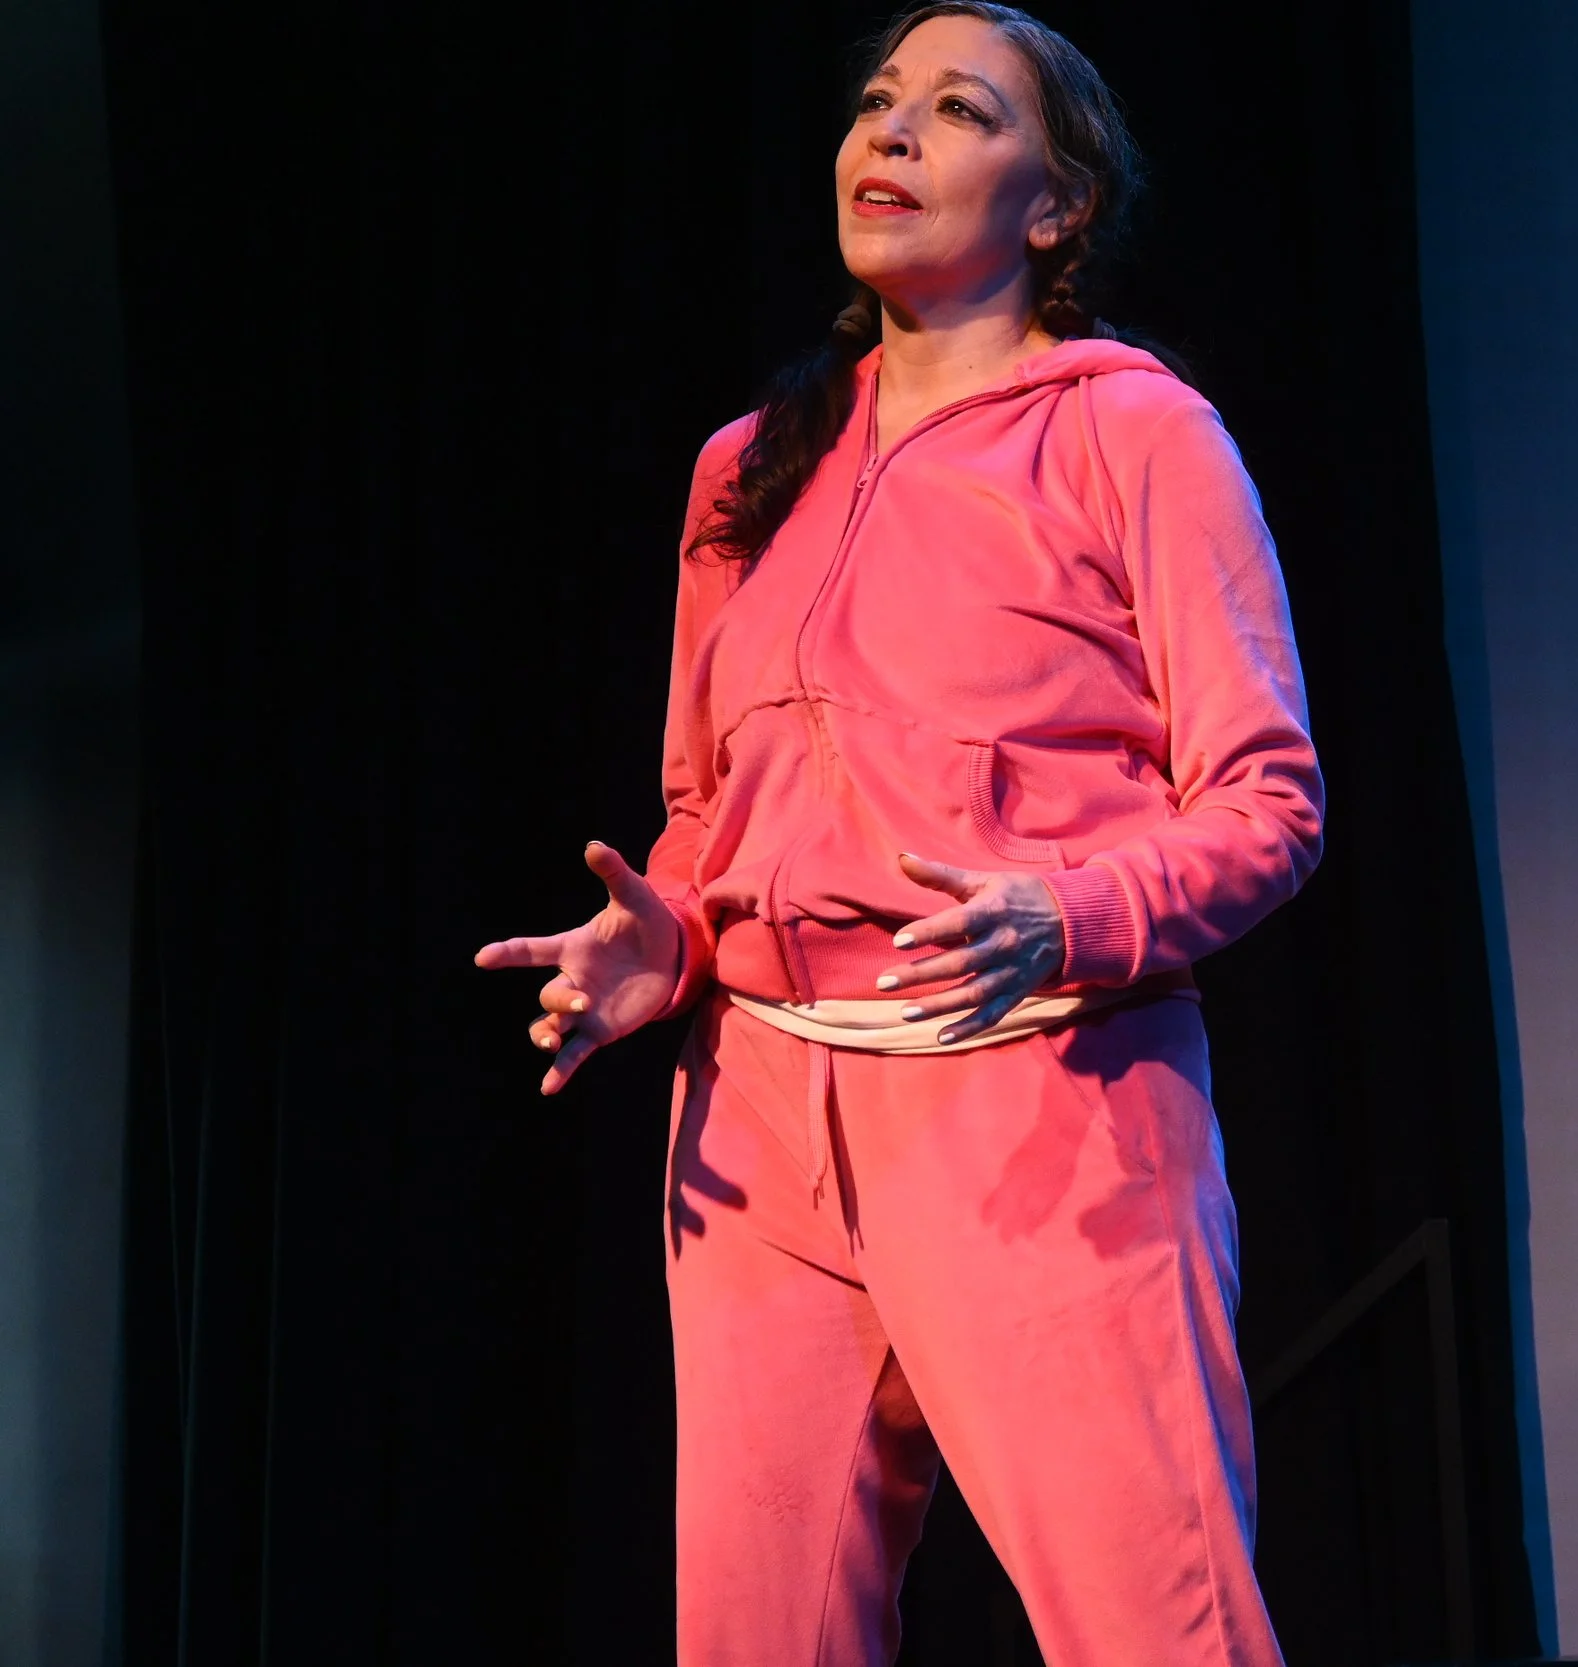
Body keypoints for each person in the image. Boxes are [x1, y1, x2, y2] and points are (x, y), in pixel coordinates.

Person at [474, 4, 1319, 1661]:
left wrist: (1070, 912)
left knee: (1158, 1633)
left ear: (1058, 205)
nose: (895, 132)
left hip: (1041, 1095)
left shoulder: (1136, 431)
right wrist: (669, 935)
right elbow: (705, 806)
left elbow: (1268, 804)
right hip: (756, 1121)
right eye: (877, 101)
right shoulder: (748, 470)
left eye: (960, 110)